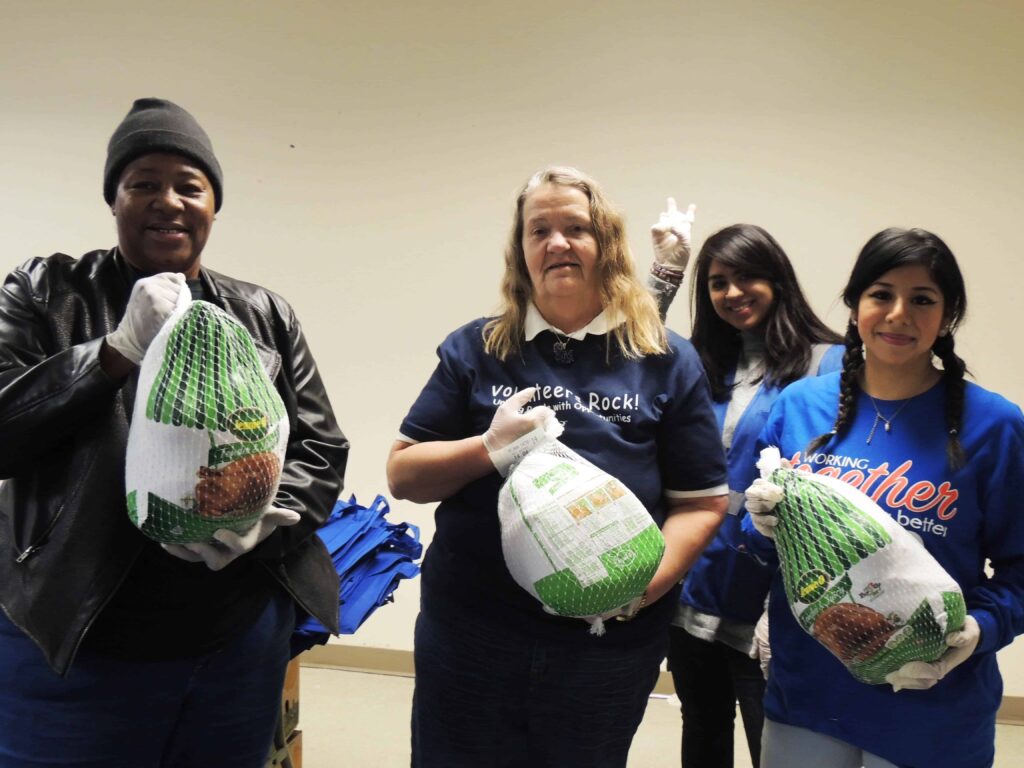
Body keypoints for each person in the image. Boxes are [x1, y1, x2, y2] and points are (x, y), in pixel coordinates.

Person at [0, 97, 349, 767]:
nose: (168, 200)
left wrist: (271, 517)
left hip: (233, 649)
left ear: (214, 204)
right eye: (143, 183)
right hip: (78, 647)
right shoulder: (46, 292)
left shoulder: (263, 312)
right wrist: (112, 352)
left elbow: (321, 447)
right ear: (115, 200)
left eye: (189, 185)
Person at [387, 167, 729, 768]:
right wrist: (487, 448)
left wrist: (633, 595)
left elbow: (700, 502)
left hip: (605, 648)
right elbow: (404, 475)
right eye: (538, 229)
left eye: (576, 228)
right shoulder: (477, 348)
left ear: (607, 244)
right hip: (473, 633)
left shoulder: (665, 359)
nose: (557, 243)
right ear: (520, 250)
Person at [742, 228, 1024, 768]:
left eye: (922, 299)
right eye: (881, 294)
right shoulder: (799, 408)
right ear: (855, 308)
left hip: (931, 704)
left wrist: (978, 630)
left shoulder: (995, 426)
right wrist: (756, 529)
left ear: (948, 317)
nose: (899, 314)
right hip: (808, 696)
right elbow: (754, 548)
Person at [649, 205, 843, 767]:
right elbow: (629, 351)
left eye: (746, 277)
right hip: (694, 589)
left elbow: (836, 488)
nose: (733, 292)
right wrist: (663, 277)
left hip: (773, 601)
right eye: (717, 283)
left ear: (777, 280)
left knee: (772, 739)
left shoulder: (827, 365)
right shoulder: (697, 365)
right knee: (702, 727)